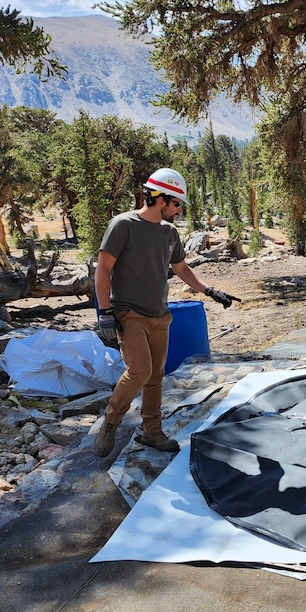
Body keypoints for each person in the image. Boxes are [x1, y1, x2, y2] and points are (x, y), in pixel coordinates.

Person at [92, 167, 236, 457]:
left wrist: (210, 291)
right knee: (140, 371)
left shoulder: (169, 232)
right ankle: (110, 421)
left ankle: (151, 431)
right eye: (177, 203)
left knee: (156, 375)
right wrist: (105, 313)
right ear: (161, 199)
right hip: (128, 313)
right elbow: (103, 269)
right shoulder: (123, 225)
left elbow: (181, 268)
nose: (180, 210)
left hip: (161, 314)